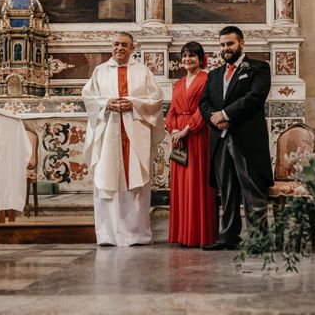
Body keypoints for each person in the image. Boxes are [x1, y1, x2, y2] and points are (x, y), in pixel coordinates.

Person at [82, 32, 165, 246]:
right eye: (116, 44)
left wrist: (133, 103)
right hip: (109, 133)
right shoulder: (100, 71)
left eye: (125, 45)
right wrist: (107, 103)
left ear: (132, 48)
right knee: (107, 180)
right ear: (112, 47)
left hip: (135, 133)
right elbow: (89, 98)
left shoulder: (143, 71)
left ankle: (137, 234)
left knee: (136, 181)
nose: (120, 48)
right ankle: (108, 234)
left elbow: (156, 99)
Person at [199, 26, 273, 250]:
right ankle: (228, 237)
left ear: (241, 43)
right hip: (220, 138)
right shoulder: (214, 74)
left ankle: (260, 240)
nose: (225, 48)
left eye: (229, 44)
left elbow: (255, 97)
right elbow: (204, 103)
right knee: (227, 190)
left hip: (246, 138)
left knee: (252, 190)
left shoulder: (258, 68)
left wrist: (225, 114)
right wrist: (214, 119)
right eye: (222, 45)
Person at [166, 42, 217, 247]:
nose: (187, 59)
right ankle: (182, 233)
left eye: (192, 56)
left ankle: (199, 234)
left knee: (197, 182)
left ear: (201, 59)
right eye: (184, 56)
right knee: (180, 185)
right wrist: (174, 130)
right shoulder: (178, 84)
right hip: (179, 139)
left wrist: (188, 129)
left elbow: (206, 108)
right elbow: (171, 112)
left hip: (198, 135)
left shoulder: (208, 79)